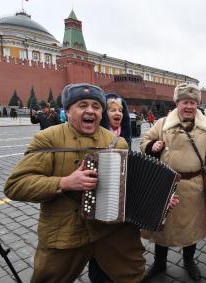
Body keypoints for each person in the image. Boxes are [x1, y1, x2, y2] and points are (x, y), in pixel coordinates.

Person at [4, 83, 146, 283]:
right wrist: (64, 183)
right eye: (82, 105)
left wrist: (158, 199)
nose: (90, 110)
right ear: (68, 111)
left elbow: (130, 185)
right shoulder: (48, 138)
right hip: (65, 231)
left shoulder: (116, 142)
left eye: (96, 107)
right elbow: (15, 185)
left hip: (110, 230)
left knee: (132, 274)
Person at [140, 82, 206, 281]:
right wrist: (152, 146)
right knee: (162, 227)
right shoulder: (162, 123)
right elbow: (144, 141)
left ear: (197, 105)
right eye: (185, 102)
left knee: (191, 228)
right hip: (164, 185)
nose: (189, 106)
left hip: (193, 186)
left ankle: (189, 261)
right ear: (177, 103)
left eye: (193, 103)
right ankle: (160, 263)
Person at [88, 93, 132, 283]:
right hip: (99, 199)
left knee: (117, 245)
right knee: (98, 246)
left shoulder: (125, 136)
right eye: (113, 109)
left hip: (120, 201)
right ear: (105, 113)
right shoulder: (94, 135)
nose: (118, 113)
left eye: (121, 110)